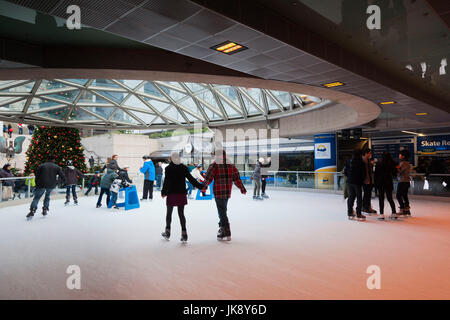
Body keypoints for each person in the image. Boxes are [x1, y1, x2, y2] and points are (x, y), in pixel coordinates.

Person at [201, 150, 247, 241]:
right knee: (223, 211)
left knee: (222, 212)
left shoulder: (214, 165)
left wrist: (203, 187)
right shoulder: (231, 165)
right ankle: (222, 229)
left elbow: (208, 178)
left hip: (218, 192)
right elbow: (237, 179)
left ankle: (227, 231)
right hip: (227, 192)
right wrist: (242, 189)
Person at [161, 152, 203, 242]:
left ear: (171, 159)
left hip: (171, 193)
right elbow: (191, 179)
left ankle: (167, 232)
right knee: (181, 214)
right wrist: (200, 186)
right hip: (181, 193)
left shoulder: (168, 168)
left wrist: (163, 192)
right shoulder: (184, 167)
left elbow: (166, 181)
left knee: (169, 213)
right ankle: (184, 233)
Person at [26, 155, 66, 219]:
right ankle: (45, 209)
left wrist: (37, 184)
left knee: (37, 198)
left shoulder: (42, 166)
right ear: (54, 160)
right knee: (47, 197)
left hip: (41, 184)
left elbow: (37, 176)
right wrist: (57, 182)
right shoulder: (57, 167)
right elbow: (63, 177)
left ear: (47, 159)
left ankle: (33, 209)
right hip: (51, 185)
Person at [374, 152, 398, 220]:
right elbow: (394, 174)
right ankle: (394, 213)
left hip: (380, 182)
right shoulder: (392, 163)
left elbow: (376, 174)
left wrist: (375, 183)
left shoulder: (379, 163)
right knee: (390, 198)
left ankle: (381, 214)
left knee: (381, 198)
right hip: (388, 182)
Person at [344, 149, 366, 221]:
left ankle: (350, 212)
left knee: (351, 197)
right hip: (358, 182)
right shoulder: (361, 162)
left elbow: (345, 172)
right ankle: (358, 213)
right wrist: (362, 180)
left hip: (349, 182)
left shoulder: (349, 161)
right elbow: (363, 173)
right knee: (359, 198)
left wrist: (349, 177)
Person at [397, 149, 412, 217]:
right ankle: (406, 210)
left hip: (403, 181)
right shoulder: (406, 163)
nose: (399, 155)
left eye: (400, 154)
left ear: (403, 156)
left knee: (398, 195)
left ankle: (402, 209)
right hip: (405, 182)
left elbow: (399, 171)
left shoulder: (404, 163)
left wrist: (395, 167)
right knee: (404, 195)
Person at [362, 149, 377, 214]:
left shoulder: (368, 161)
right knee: (366, 194)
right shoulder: (363, 160)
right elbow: (365, 171)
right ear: (366, 153)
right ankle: (365, 207)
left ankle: (367, 206)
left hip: (369, 179)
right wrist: (366, 179)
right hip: (366, 180)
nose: (370, 154)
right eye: (369, 153)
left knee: (368, 194)